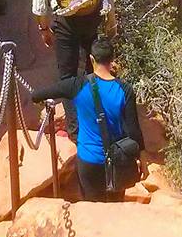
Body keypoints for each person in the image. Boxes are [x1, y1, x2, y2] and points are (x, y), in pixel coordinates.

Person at [31, 36, 145, 201]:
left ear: (92, 59)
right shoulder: (125, 90)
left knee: (93, 211)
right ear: (112, 59)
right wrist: (142, 158)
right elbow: (134, 130)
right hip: (117, 161)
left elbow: (37, 95)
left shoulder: (77, 85)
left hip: (88, 160)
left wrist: (41, 104)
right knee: (115, 212)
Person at [32, 0, 117, 139]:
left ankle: (75, 130)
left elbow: (40, 6)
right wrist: (110, 19)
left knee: (68, 74)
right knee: (93, 67)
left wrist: (44, 29)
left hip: (66, 22)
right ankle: (101, 118)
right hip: (91, 16)